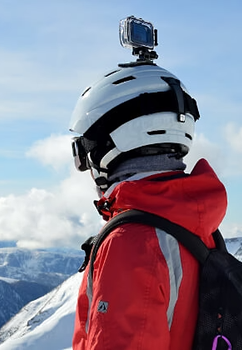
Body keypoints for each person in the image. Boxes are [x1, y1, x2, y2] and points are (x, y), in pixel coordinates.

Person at [69, 62, 228, 349]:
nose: (86, 164)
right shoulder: (195, 220)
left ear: (109, 143)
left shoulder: (133, 241)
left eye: (84, 149)